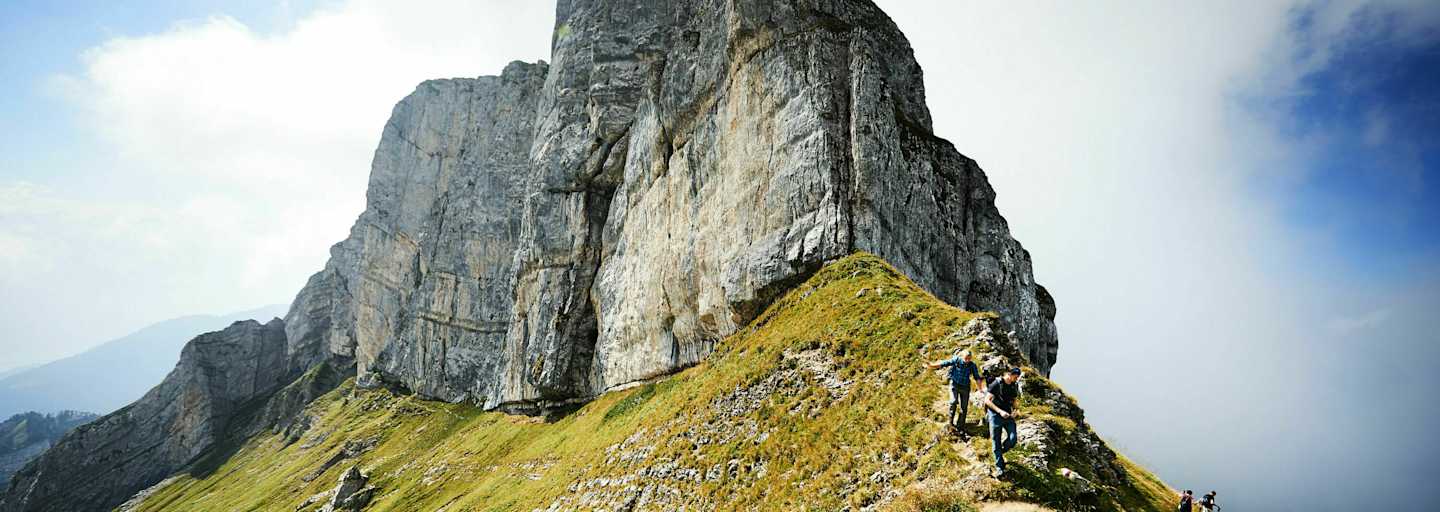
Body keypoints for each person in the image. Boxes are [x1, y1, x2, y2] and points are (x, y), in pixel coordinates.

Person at [923, 349, 985, 433]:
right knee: (953, 401)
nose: (967, 360)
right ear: (962, 357)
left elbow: (976, 377)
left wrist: (980, 389)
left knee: (964, 407)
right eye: (966, 358)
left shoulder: (972, 365)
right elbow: (944, 363)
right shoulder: (957, 360)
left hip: (965, 387)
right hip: (954, 385)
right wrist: (932, 365)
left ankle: (960, 426)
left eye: (969, 359)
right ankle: (950, 423)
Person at [983, 367, 1022, 477]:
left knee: (1013, 439)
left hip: (1008, 415)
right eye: (1015, 377)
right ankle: (999, 467)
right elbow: (987, 400)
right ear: (1009, 374)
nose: (1016, 379)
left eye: (1017, 377)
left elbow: (1014, 400)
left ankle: (1000, 452)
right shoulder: (996, 383)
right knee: (996, 440)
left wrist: (1016, 410)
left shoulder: (1014, 385)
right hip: (995, 414)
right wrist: (1000, 412)